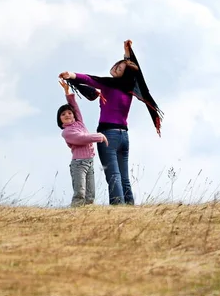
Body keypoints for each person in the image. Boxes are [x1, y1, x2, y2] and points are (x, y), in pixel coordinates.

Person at [58, 40, 163, 205]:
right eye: (117, 65)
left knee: (113, 176)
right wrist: (127, 53)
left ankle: (118, 208)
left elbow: (90, 79)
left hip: (108, 136)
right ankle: (129, 207)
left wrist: (71, 75)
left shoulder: (109, 85)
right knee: (124, 176)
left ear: (124, 74)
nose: (115, 68)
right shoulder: (130, 90)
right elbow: (136, 72)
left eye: (119, 69)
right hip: (124, 137)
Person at [57, 79, 109, 207]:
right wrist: (100, 136)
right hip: (78, 164)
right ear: (60, 119)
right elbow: (82, 138)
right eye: (63, 114)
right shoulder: (66, 132)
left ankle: (87, 217)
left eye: (69, 113)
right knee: (80, 193)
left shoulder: (79, 123)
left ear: (74, 115)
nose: (67, 115)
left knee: (90, 195)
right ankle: (75, 214)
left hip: (89, 162)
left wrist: (67, 91)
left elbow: (74, 106)